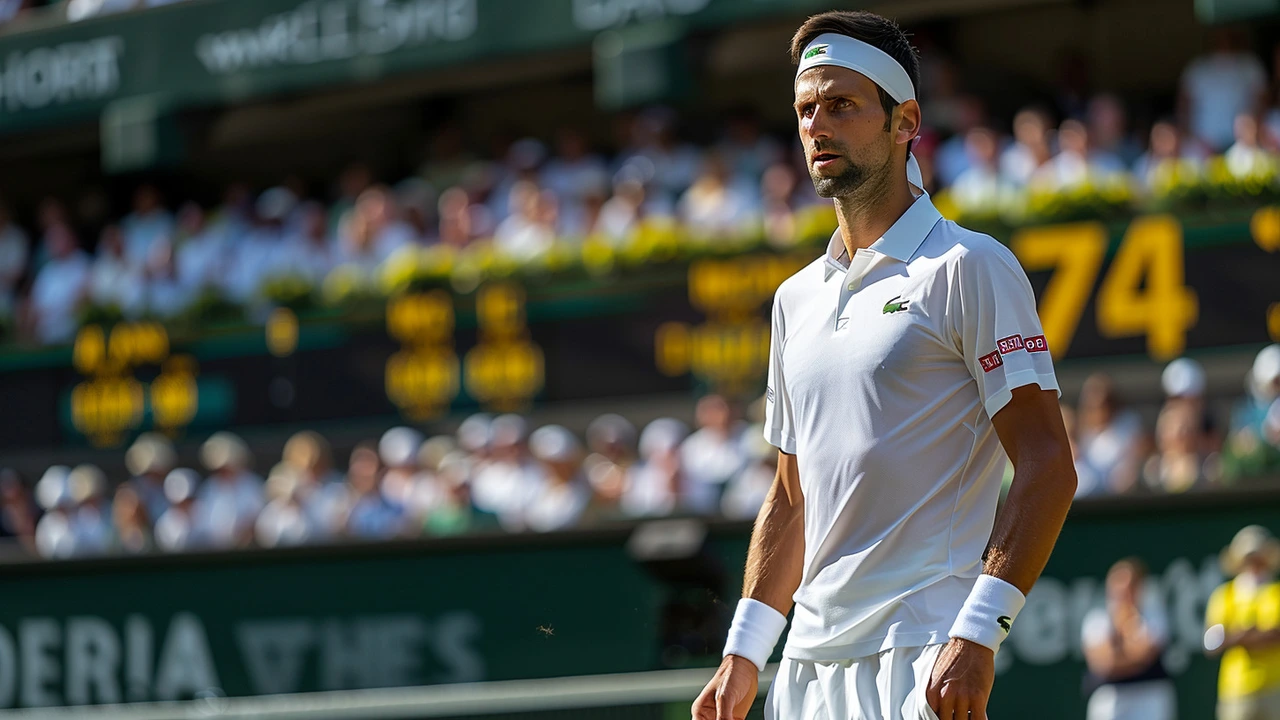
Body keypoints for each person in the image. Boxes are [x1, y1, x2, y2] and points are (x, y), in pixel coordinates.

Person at [692, 12, 1077, 720]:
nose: (817, 125)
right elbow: (791, 497)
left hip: (924, 650)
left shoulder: (971, 266)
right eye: (807, 108)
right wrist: (743, 655)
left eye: (841, 105)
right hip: (805, 671)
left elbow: (1049, 462)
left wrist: (978, 631)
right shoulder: (793, 299)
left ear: (906, 123)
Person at [1081, 558, 1176, 720]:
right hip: (1110, 698)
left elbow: (1144, 655)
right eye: (1119, 585)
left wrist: (1121, 653)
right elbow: (1105, 664)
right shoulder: (1097, 619)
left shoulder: (1154, 616)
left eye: (1131, 586)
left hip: (1150, 695)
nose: (1124, 592)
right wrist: (1128, 641)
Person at [1205, 525, 1280, 720]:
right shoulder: (1224, 595)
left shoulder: (1276, 592)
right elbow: (1211, 643)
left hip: (1275, 687)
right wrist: (1249, 635)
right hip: (1235, 691)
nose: (1253, 563)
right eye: (1248, 558)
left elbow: (1275, 635)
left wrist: (1238, 636)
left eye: (1258, 557)